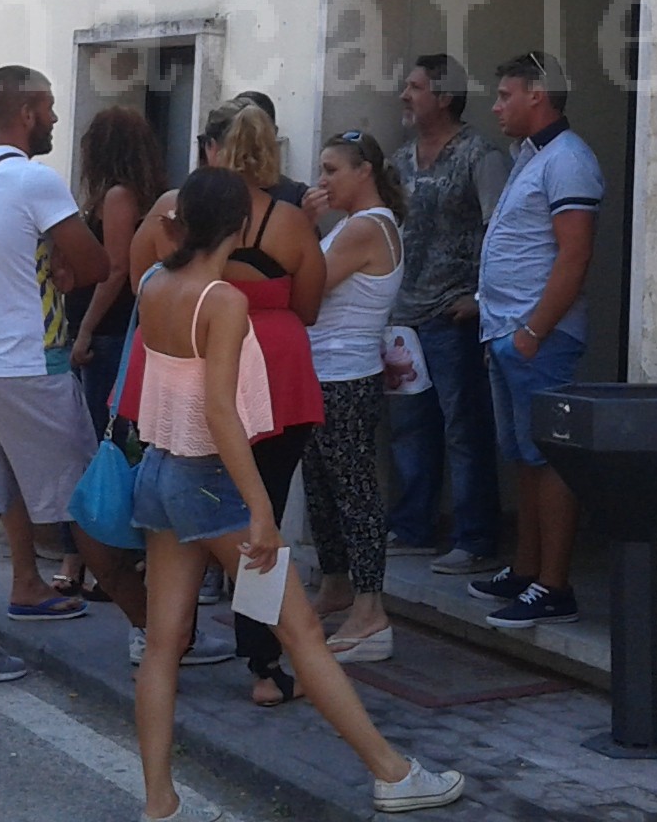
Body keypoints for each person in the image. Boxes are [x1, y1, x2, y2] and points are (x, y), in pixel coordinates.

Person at [129, 167, 466, 822]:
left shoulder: (154, 285)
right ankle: (391, 774)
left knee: (165, 642)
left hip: (163, 474)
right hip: (214, 485)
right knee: (303, 631)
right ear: (238, 225)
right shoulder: (221, 301)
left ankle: (159, 802)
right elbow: (223, 416)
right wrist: (261, 510)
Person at [0, 67, 149, 692]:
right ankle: (161, 634)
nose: (59, 120)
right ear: (28, 111)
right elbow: (97, 262)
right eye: (52, 108)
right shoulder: (35, 179)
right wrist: (61, 268)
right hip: (30, 369)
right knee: (90, 504)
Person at [128, 99, 324, 705]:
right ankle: (264, 663)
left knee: (206, 511)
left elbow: (141, 279)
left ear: (210, 148)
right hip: (273, 377)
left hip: (181, 371)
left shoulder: (171, 212)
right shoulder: (288, 222)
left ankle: (174, 637)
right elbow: (311, 306)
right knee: (259, 520)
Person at [469, 52, 601, 629]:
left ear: (537, 95)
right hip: (506, 331)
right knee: (523, 455)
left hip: (537, 338)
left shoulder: (569, 160)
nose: (496, 106)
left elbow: (574, 255)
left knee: (550, 459)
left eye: (504, 94)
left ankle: (554, 585)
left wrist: (532, 332)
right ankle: (526, 569)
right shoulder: (533, 156)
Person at [382, 55, 510, 575]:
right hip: (405, 318)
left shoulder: (481, 156)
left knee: (465, 428)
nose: (404, 96)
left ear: (445, 96)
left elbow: (501, 231)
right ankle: (413, 527)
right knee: (410, 426)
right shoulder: (401, 160)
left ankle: (475, 536)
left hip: (453, 317)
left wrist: (481, 300)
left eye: (413, 87)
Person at [300, 131, 406, 663]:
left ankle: (371, 612)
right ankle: (337, 584)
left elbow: (307, 287)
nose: (322, 180)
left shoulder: (365, 227)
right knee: (322, 490)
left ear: (363, 171)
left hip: (344, 376)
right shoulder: (349, 225)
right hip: (325, 373)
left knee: (354, 492)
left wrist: (298, 227)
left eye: (331, 169)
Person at [69, 107, 164, 439]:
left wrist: (85, 329)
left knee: (101, 430)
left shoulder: (118, 196)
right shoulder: (138, 195)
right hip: (116, 326)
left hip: (109, 330)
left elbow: (116, 268)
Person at [233, 90, 308, 206]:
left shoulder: (298, 196)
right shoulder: (210, 191)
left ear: (273, 133)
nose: (246, 139)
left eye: (255, 130)